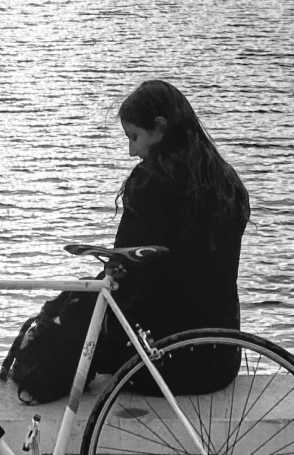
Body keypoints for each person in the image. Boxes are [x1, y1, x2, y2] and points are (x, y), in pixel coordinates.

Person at [105, 80, 251, 393]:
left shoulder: (150, 183)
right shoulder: (227, 181)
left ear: (160, 127)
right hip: (221, 359)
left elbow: (125, 266)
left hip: (159, 363)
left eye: (134, 137)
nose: (132, 151)